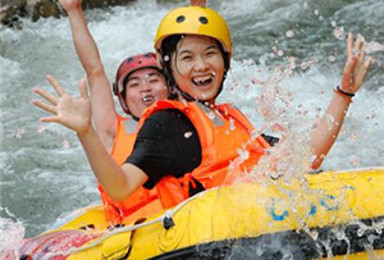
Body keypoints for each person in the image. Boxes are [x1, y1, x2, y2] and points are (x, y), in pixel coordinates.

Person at [33, 6, 372, 216]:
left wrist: (344, 93)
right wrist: (87, 132)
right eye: (187, 58)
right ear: (173, 68)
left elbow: (303, 158)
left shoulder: (230, 119)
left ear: (225, 63)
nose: (201, 66)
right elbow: (121, 187)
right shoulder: (168, 125)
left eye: (210, 54)